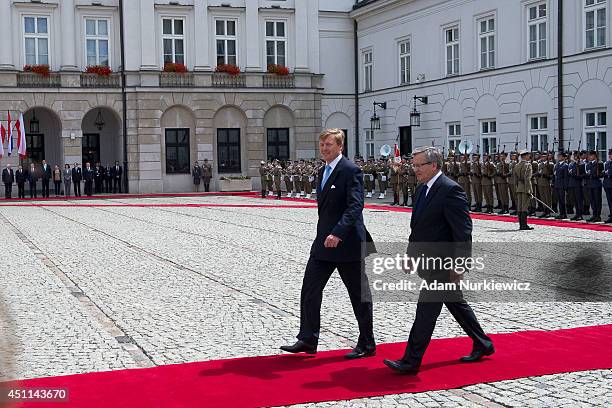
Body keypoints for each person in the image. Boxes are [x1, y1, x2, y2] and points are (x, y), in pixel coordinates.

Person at [383, 146, 494, 375]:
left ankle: (410, 361)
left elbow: (463, 232)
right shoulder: (422, 189)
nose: (415, 170)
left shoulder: (450, 190)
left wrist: (460, 264)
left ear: (434, 165)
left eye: (419, 165)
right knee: (456, 304)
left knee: (425, 312)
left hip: (443, 264)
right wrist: (411, 255)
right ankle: (483, 343)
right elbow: (419, 228)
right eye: (413, 165)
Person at [280, 128, 376, 360]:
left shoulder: (350, 170)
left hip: (347, 242)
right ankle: (308, 338)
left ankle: (367, 343)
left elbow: (355, 206)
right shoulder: (322, 170)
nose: (324, 148)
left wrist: (338, 233)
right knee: (310, 289)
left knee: (358, 295)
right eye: (322, 145)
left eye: (329, 145)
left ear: (340, 146)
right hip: (323, 243)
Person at [515, 150, 534, 230]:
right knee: (524, 207)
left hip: (519, 188)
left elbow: (515, 179)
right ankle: (524, 225)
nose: (529, 156)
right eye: (528, 155)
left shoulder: (517, 165)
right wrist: (529, 190)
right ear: (525, 156)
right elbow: (527, 179)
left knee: (520, 207)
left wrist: (517, 187)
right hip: (525, 188)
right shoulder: (528, 165)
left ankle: (521, 225)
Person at [604, 149, 612, 224]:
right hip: (607, 184)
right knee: (609, 201)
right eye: (609, 154)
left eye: (611, 154)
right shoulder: (607, 163)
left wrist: (608, 173)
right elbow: (604, 173)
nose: (610, 155)